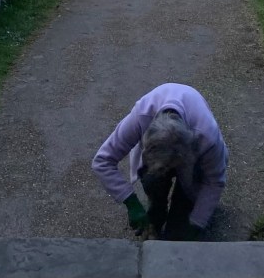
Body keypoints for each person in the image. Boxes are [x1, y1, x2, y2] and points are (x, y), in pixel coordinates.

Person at [92, 83, 228, 240]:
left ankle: (184, 200)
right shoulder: (141, 115)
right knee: (151, 178)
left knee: (178, 233)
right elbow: (102, 161)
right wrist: (131, 202)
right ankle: (158, 206)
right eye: (164, 167)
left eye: (172, 165)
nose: (168, 169)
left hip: (194, 159)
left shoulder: (207, 137)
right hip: (168, 151)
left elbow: (214, 181)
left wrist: (197, 221)